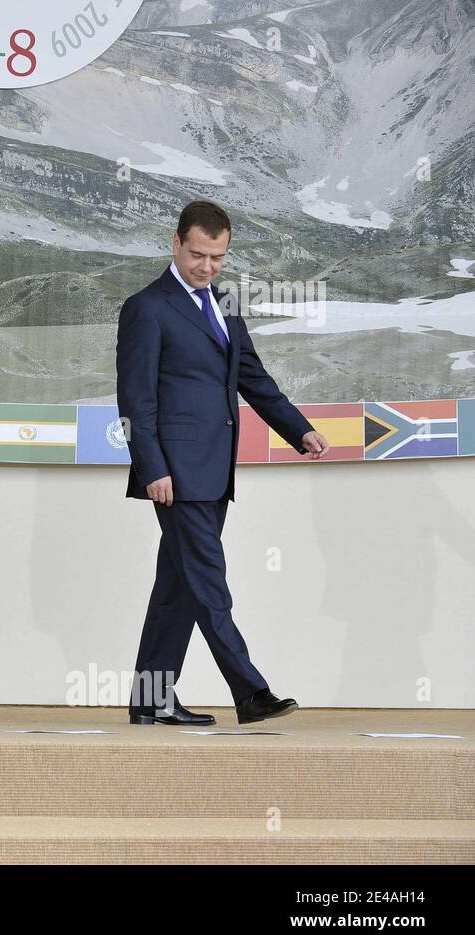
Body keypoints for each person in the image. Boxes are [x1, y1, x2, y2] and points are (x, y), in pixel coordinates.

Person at [116, 200, 328, 726]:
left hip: (215, 470)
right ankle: (250, 691)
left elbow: (253, 378)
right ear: (175, 243)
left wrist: (298, 428)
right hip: (175, 473)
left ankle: (151, 698)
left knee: (178, 588)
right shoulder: (147, 307)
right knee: (210, 581)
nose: (207, 266)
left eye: (217, 257)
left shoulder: (226, 304)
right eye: (197, 254)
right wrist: (152, 468)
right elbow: (135, 400)